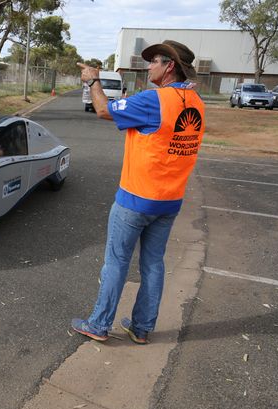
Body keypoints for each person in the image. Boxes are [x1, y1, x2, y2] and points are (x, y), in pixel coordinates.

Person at [71, 40, 205, 344]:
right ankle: (142, 328)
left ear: (169, 65)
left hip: (136, 199)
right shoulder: (196, 102)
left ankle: (99, 324)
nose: (149, 67)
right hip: (169, 201)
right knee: (153, 264)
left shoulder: (154, 100)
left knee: (116, 261)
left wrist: (93, 80)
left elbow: (104, 110)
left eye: (154, 61)